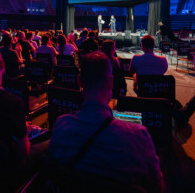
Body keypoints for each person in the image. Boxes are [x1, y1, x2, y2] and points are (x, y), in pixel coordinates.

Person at [48, 52, 163, 191]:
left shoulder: (61, 126)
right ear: (110, 82)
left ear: (79, 81)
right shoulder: (138, 135)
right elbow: (156, 186)